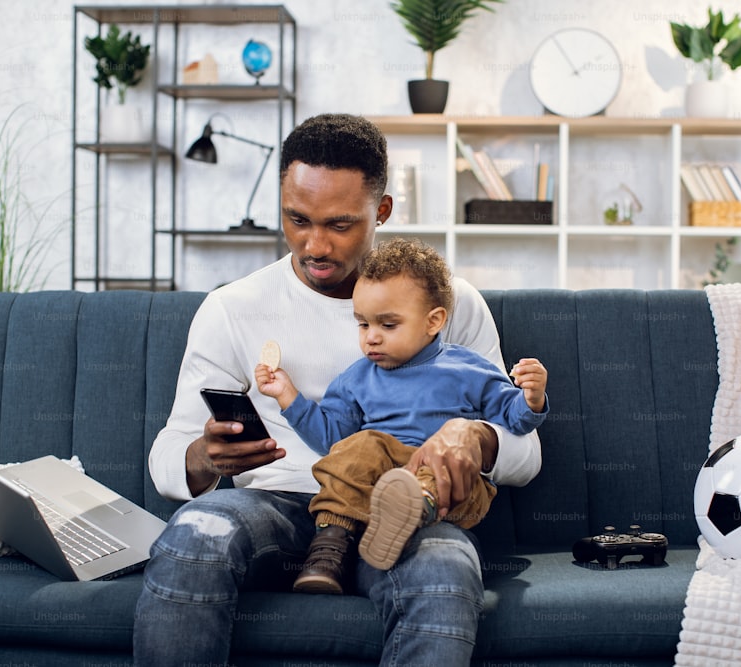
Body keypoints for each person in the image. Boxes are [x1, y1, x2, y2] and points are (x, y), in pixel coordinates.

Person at [134, 113, 541, 667]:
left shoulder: (451, 303)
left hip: (401, 508)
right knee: (194, 535)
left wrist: (475, 438)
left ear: (382, 212)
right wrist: (204, 457)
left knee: (446, 573)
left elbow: (524, 450)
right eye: (296, 219)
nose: (314, 245)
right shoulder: (232, 308)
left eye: (340, 225)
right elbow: (165, 460)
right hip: (272, 505)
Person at [255, 237, 548, 594]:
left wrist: (531, 399)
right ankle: (329, 549)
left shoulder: (467, 367)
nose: (371, 339)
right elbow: (333, 441)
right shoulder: (356, 378)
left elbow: (511, 420)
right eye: (363, 325)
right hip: (379, 483)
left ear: (433, 321)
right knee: (361, 447)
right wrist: (289, 397)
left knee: (436, 465)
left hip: (450, 484)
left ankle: (411, 508)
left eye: (388, 325)